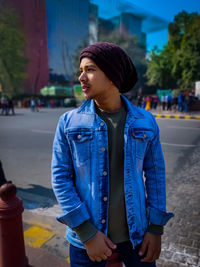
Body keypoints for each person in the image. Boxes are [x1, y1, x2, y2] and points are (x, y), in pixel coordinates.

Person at [51, 42, 174, 267]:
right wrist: (87, 232)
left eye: (90, 69)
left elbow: (155, 176)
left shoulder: (145, 121)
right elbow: (60, 179)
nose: (81, 77)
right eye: (81, 71)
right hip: (86, 240)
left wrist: (155, 228)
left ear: (112, 75)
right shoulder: (69, 123)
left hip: (138, 237)